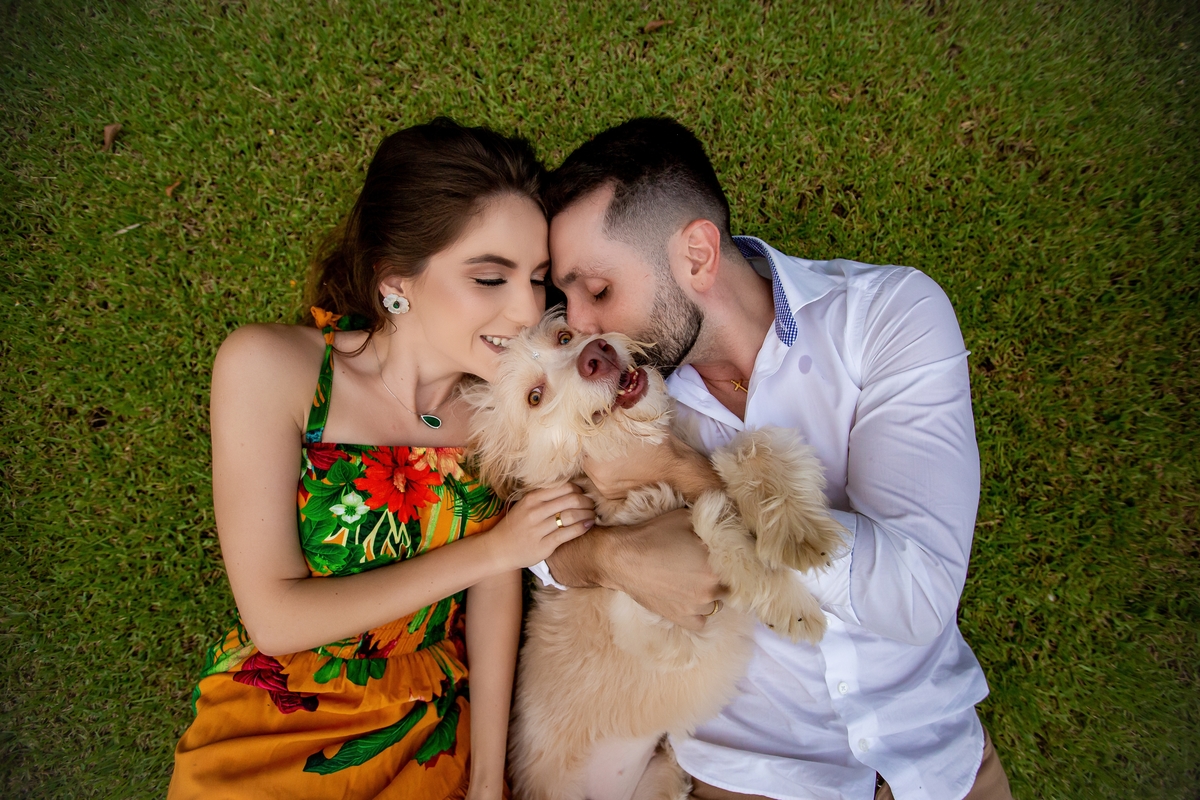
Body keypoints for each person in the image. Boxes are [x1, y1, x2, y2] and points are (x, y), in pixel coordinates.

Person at [530, 118, 1013, 800]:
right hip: (748, 777)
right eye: (568, 298)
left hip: (937, 764)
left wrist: (682, 471)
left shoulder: (887, 317)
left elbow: (916, 594)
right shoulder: (623, 392)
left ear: (698, 255)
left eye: (599, 291)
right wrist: (609, 558)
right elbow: (540, 548)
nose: (579, 326)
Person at [169, 119, 595, 799]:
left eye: (539, 278)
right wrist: (495, 549)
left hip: (433, 722)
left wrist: (489, 778)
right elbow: (276, 620)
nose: (527, 310)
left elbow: (494, 593)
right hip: (278, 719)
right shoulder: (271, 370)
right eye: (491, 278)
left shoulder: (505, 408)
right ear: (397, 282)